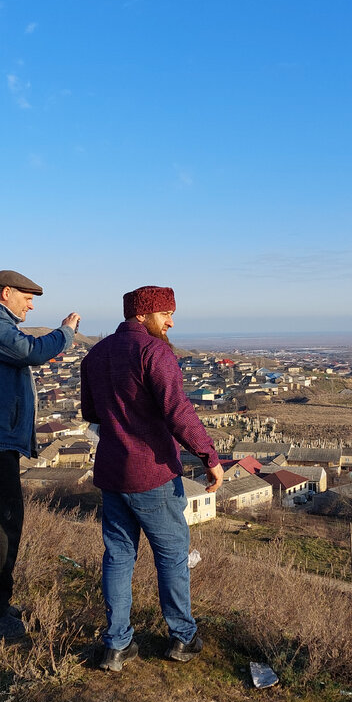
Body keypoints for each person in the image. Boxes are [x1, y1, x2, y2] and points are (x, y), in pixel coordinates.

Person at [80, 285, 224, 671]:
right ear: (143, 315)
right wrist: (210, 457)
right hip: (153, 474)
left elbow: (91, 412)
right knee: (172, 557)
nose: (171, 322)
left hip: (113, 472)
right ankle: (182, 638)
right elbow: (178, 411)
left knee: (118, 557)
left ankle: (116, 645)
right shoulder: (154, 352)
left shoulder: (96, 355)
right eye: (166, 314)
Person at [0, 270, 81, 640]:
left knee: (3, 525)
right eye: (27, 296)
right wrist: (65, 332)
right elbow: (31, 351)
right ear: (6, 293)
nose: (31, 303)